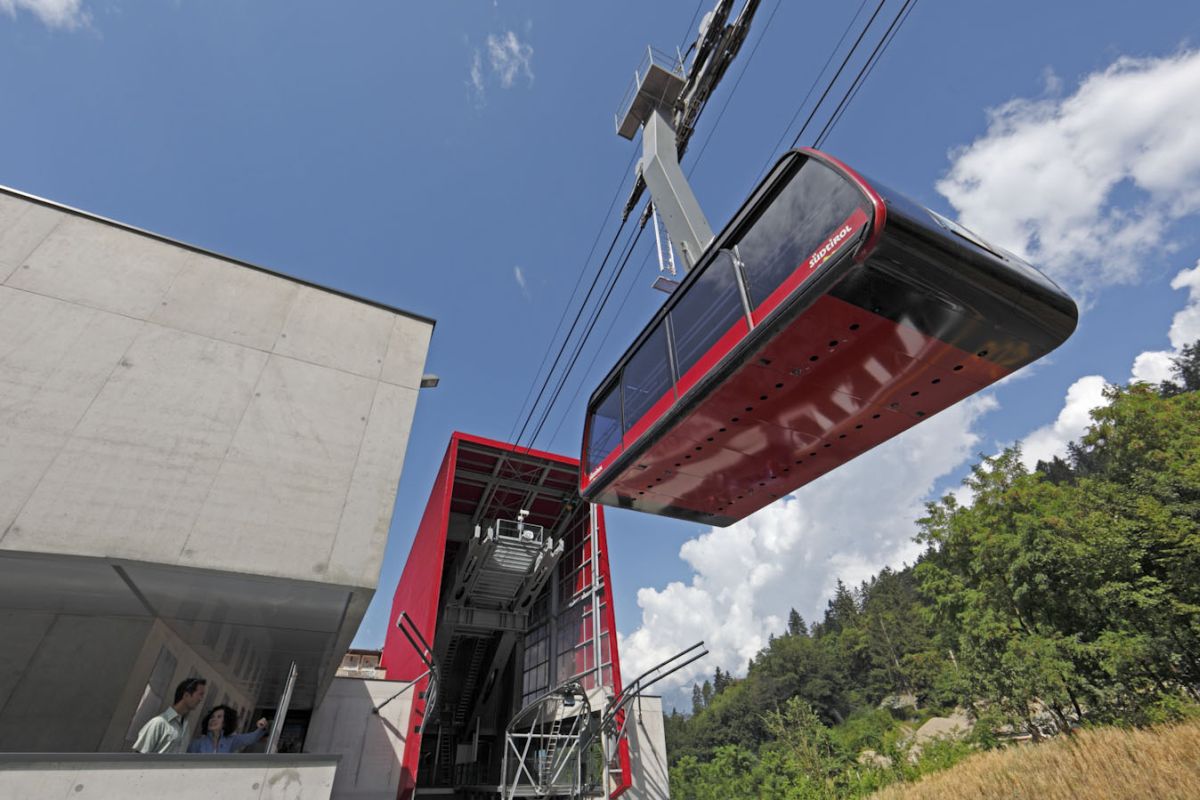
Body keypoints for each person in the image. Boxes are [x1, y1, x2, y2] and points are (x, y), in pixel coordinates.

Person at [132, 677, 207, 754]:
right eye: (200, 694)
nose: (201, 699)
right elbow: (138, 757)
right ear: (186, 695)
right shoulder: (159, 722)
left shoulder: (186, 728)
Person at [188, 705, 270, 753]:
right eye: (212, 717)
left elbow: (251, 738)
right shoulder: (197, 743)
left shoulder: (230, 741)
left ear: (225, 722)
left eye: (219, 717)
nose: (213, 719)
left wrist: (262, 726)